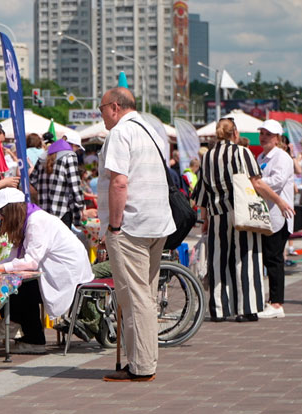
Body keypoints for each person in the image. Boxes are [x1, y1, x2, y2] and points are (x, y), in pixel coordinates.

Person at [96, 88, 175, 382]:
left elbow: (119, 182)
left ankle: (141, 366)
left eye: (102, 108)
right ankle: (144, 360)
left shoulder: (120, 133)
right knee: (146, 295)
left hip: (132, 225)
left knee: (134, 297)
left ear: (115, 107)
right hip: (156, 223)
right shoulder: (152, 130)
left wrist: (114, 226)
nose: (101, 114)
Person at [193, 118, 294, 323]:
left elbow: (201, 190)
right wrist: (280, 201)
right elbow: (256, 183)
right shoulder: (243, 153)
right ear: (236, 134)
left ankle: (219, 309)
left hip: (216, 213)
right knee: (246, 258)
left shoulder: (208, 156)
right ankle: (246, 308)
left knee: (219, 260)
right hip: (240, 212)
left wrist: (204, 218)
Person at [0, 188, 93, 354]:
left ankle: (32, 337)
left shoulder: (36, 222)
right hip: (56, 271)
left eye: (1, 213)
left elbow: (30, 262)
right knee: (12, 282)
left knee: (20, 288)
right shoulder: (28, 220)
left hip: (67, 275)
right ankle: (18, 324)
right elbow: (15, 257)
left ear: (11, 211)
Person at [255, 120, 294, 319]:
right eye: (262, 133)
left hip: (279, 215)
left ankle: (277, 303)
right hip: (265, 215)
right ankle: (270, 300)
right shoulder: (261, 156)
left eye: (268, 134)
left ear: (277, 138)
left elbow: (277, 182)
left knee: (274, 259)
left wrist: (257, 184)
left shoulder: (282, 157)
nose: (263, 137)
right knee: (267, 258)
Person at [29, 137, 85, 228]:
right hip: (62, 211)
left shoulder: (44, 155)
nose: (77, 151)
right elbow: (74, 186)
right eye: (77, 148)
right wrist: (81, 206)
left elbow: (32, 180)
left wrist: (44, 189)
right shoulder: (70, 156)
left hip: (44, 211)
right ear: (72, 145)